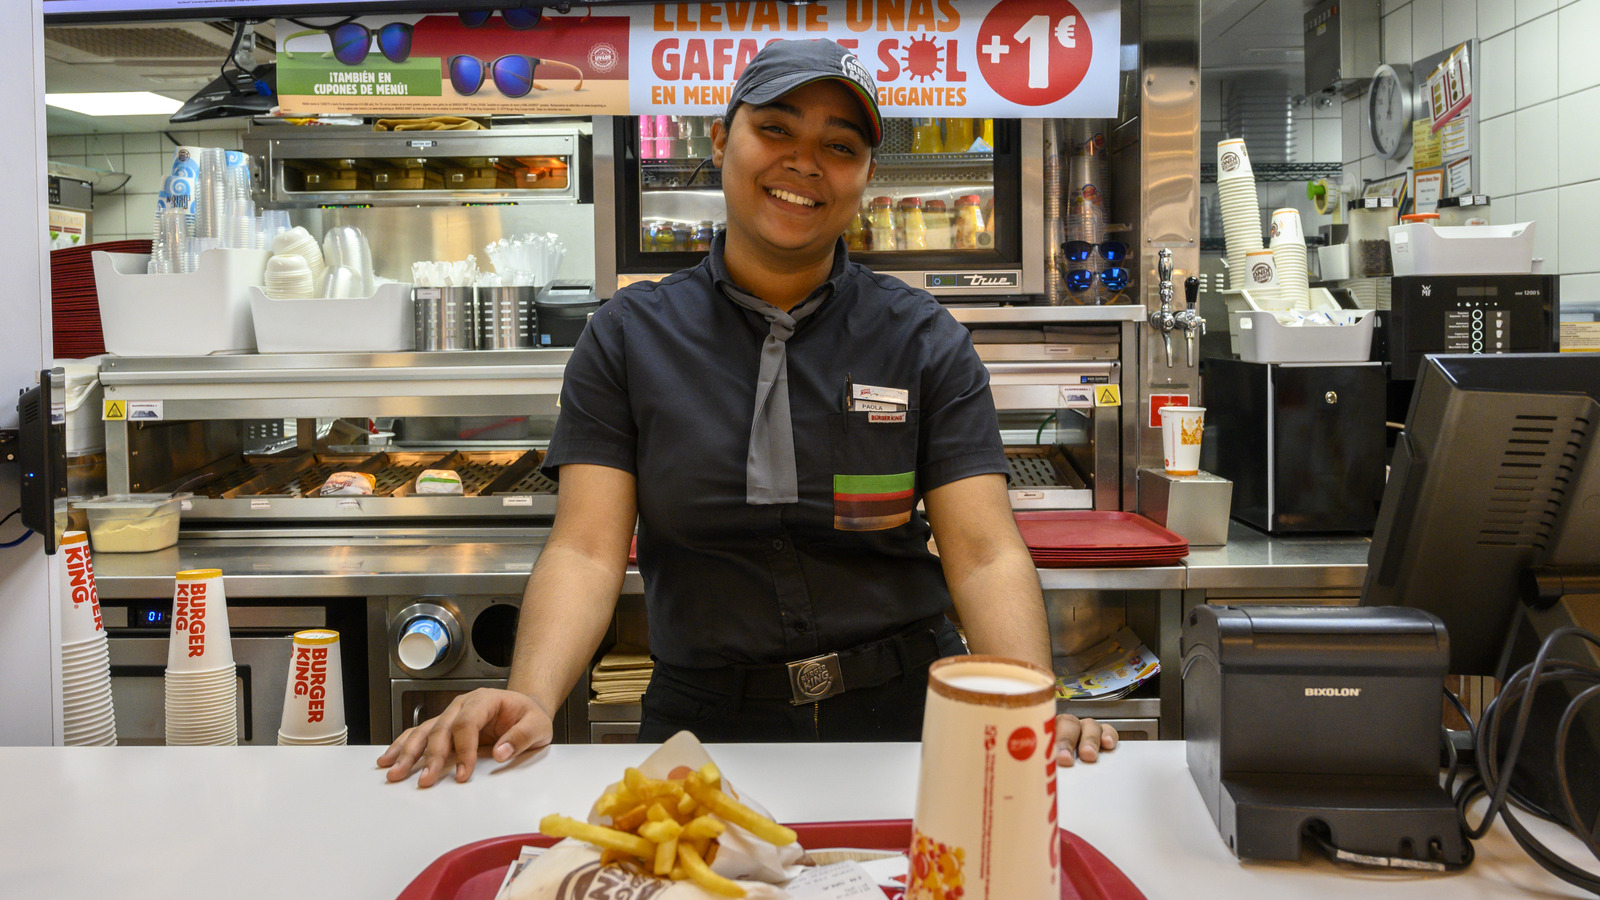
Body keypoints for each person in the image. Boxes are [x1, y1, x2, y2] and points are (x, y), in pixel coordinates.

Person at [379, 38, 1117, 788]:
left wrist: (1032, 700)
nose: (805, 162)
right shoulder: (630, 337)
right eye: (777, 128)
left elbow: (984, 550)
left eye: (840, 145)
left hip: (905, 726)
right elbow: (587, 549)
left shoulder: (923, 338)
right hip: (703, 726)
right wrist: (530, 694)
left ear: (865, 175)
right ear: (721, 136)